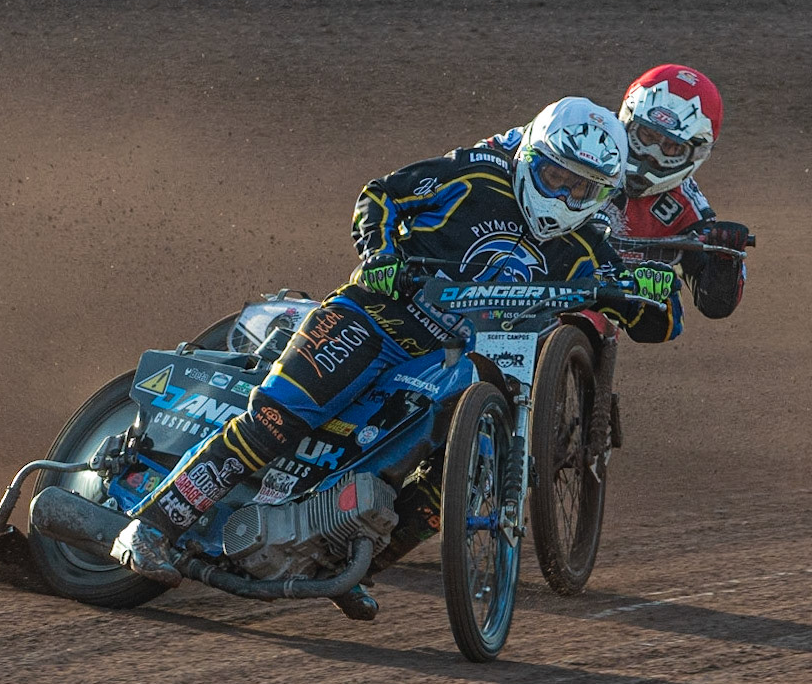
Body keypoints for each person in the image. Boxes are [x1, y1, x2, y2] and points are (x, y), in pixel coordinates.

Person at [110, 98, 679, 619]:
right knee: (280, 418)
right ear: (531, 157)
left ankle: (351, 565)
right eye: (556, 177)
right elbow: (379, 194)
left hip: (450, 363)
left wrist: (653, 289)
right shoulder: (474, 176)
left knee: (448, 479)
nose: (566, 198)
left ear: (604, 194)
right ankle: (153, 525)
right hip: (375, 319)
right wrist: (378, 252)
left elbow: (660, 322)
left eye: (585, 190)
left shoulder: (588, 247)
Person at [484, 64, 749, 320]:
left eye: (670, 147)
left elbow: (714, 305)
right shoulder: (578, 131)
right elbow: (482, 156)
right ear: (627, 118)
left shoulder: (685, 210)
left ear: (697, 152)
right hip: (497, 258)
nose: (651, 154)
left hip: (589, 299)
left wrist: (725, 259)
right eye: (646, 135)